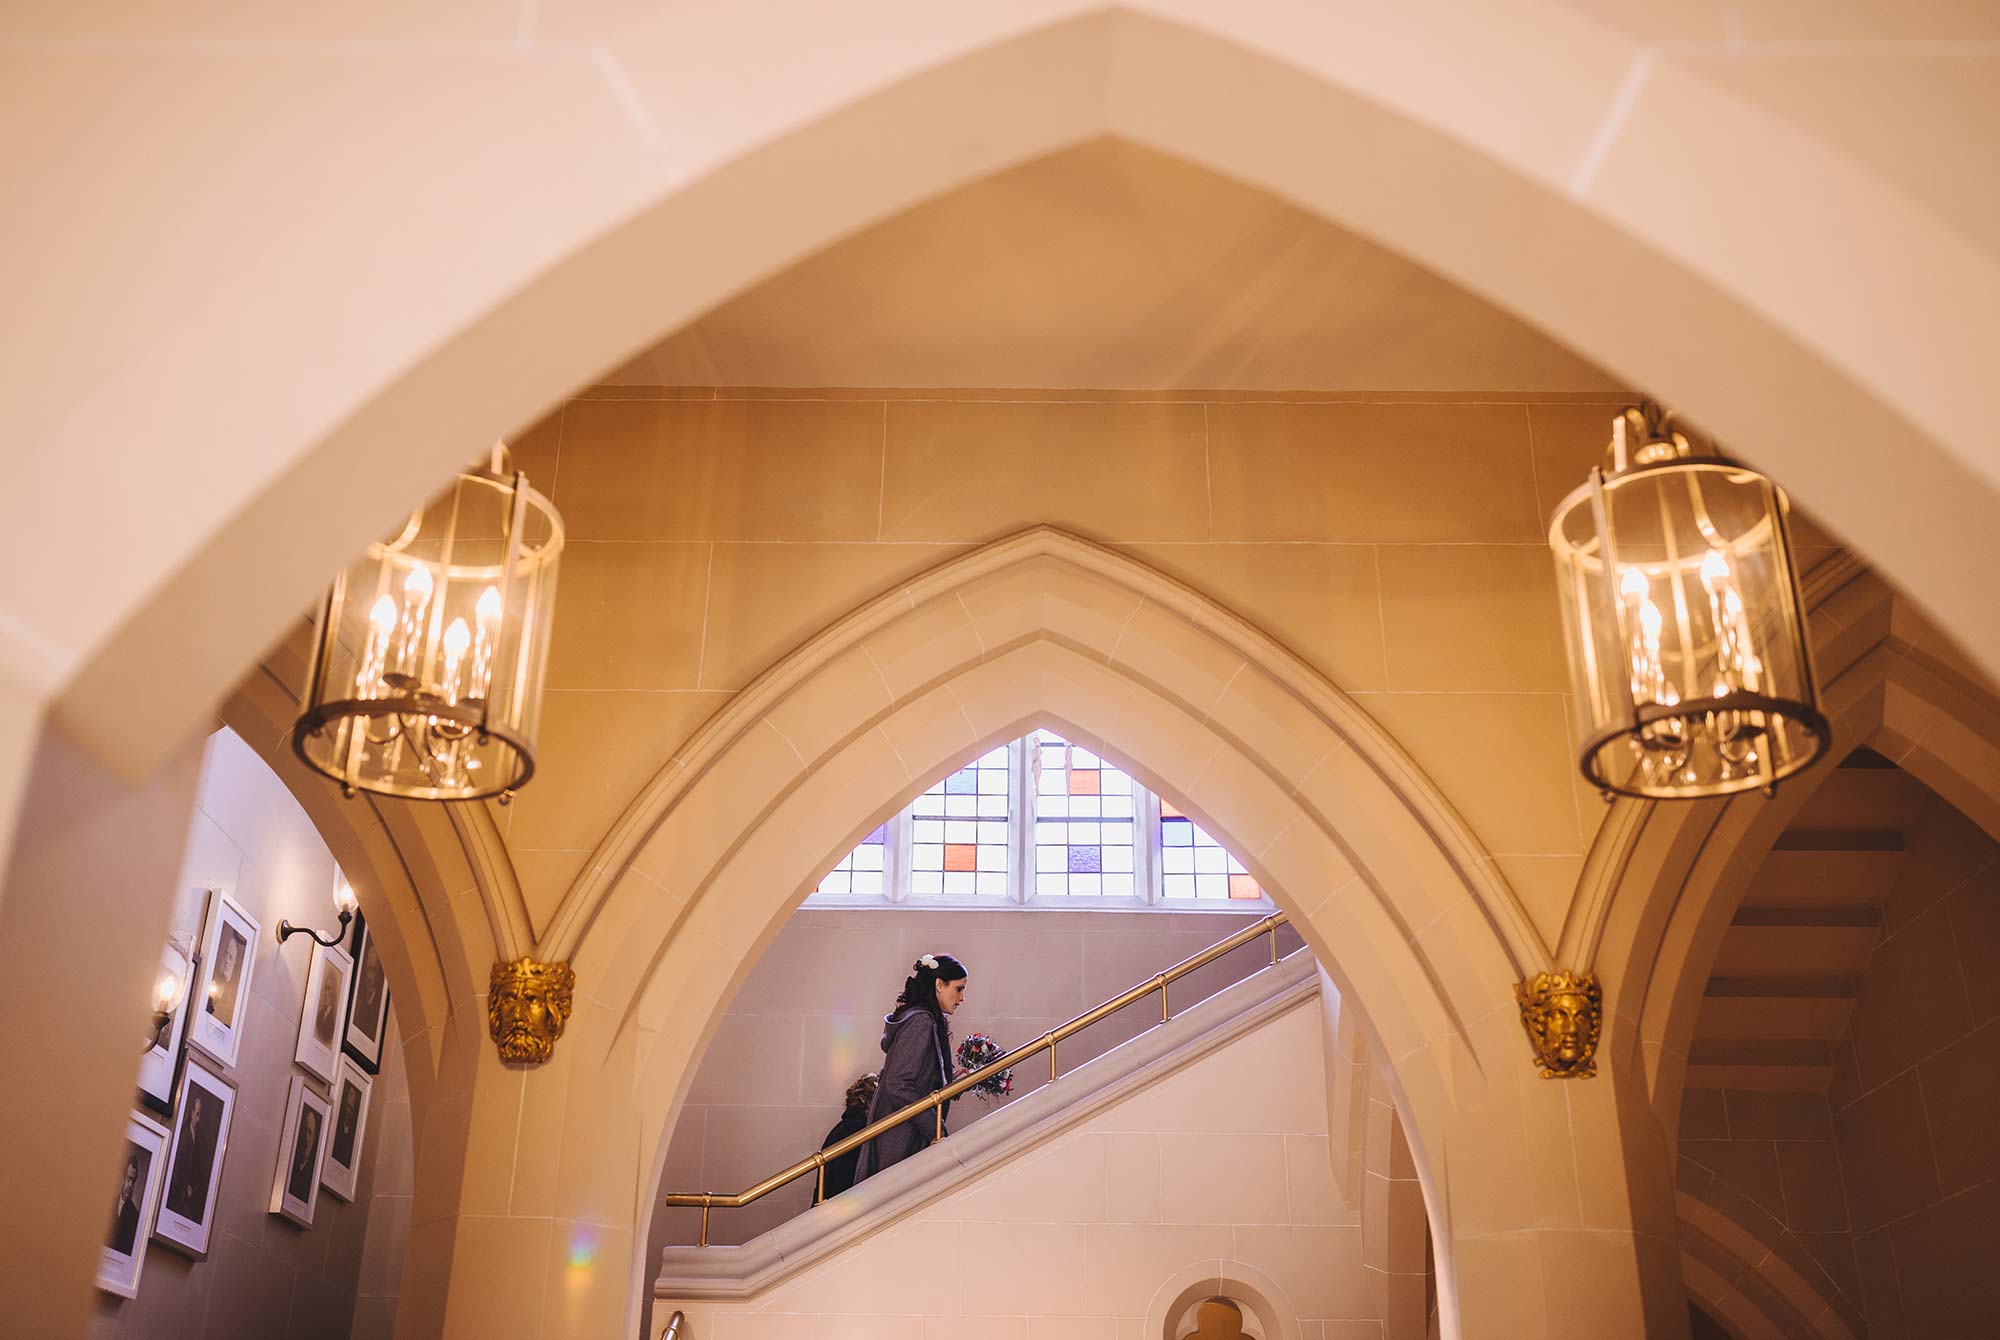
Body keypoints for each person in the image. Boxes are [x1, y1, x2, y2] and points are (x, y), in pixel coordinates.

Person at [855, 952, 967, 1182]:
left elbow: (915, 1077)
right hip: (901, 1132)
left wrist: (952, 1082)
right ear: (939, 984)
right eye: (958, 988)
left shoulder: (925, 1019)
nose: (962, 997)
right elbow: (898, 1083)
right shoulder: (920, 1021)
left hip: (903, 1127)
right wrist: (934, 1128)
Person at [812, 1073, 877, 1204]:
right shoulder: (857, 1129)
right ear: (870, 1103)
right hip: (842, 1206)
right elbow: (847, 1177)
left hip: (829, 1202)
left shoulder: (842, 1127)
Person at [107, 1149, 144, 1255]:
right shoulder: (109, 1205)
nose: (130, 1185)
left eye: (133, 1181)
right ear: (123, 1178)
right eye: (129, 1179)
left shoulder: (135, 1216)